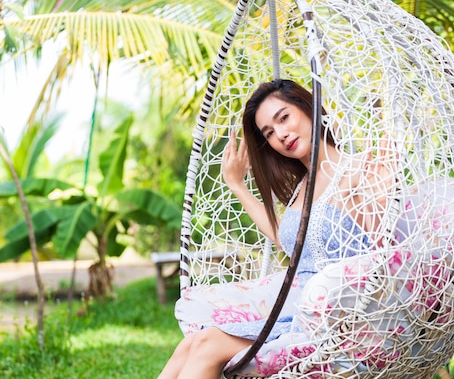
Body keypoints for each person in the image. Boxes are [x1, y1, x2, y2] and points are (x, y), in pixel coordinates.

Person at [157, 79, 396, 379]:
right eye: (269, 133)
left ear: (308, 108)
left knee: (207, 344)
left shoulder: (362, 170)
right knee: (192, 344)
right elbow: (287, 240)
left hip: (336, 320)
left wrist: (386, 167)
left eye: (284, 118)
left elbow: (386, 254)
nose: (281, 135)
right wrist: (237, 185)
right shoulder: (303, 187)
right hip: (292, 311)